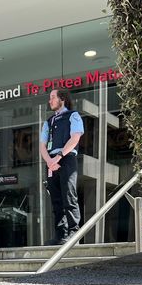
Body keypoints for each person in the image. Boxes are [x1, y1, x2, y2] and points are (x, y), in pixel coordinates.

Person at [39, 89, 84, 245]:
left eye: (52, 97)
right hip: (51, 161)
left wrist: (59, 157)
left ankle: (74, 232)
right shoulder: (48, 122)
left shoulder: (73, 116)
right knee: (56, 199)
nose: (50, 101)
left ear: (62, 99)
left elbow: (75, 138)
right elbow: (42, 146)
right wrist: (50, 161)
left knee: (69, 196)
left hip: (66, 159)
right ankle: (60, 234)